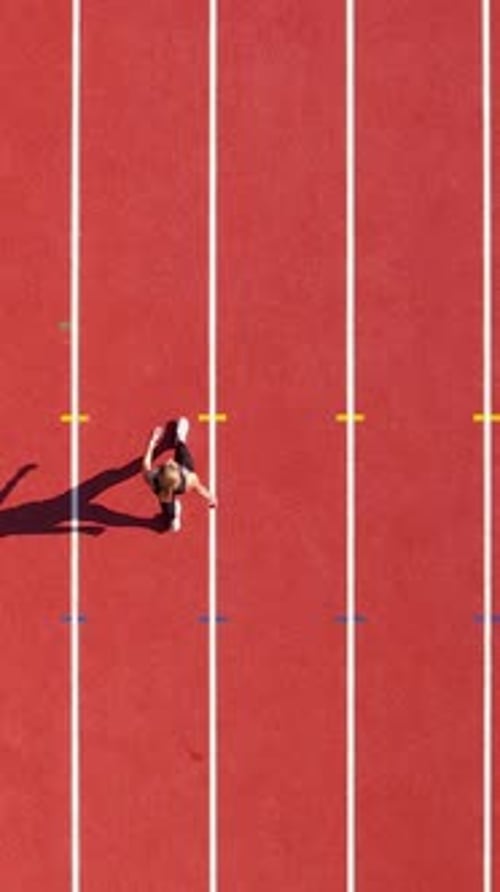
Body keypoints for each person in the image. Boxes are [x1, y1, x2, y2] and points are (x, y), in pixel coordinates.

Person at [142, 417, 217, 531]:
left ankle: (174, 518)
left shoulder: (152, 479)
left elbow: (146, 463)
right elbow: (200, 489)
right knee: (182, 451)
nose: (170, 460)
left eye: (168, 464)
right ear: (178, 470)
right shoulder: (190, 479)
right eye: (171, 464)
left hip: (166, 493)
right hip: (183, 478)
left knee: (169, 512)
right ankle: (180, 439)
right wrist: (211, 497)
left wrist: (151, 443)